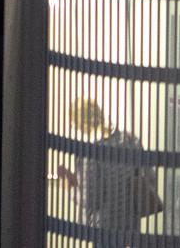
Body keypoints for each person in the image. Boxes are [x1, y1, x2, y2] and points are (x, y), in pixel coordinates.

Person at [67, 98, 163, 239]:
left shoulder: (90, 153)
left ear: (81, 124)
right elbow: (149, 177)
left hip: (104, 228)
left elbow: (91, 199)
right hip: (130, 222)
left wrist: (72, 188)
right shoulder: (130, 140)